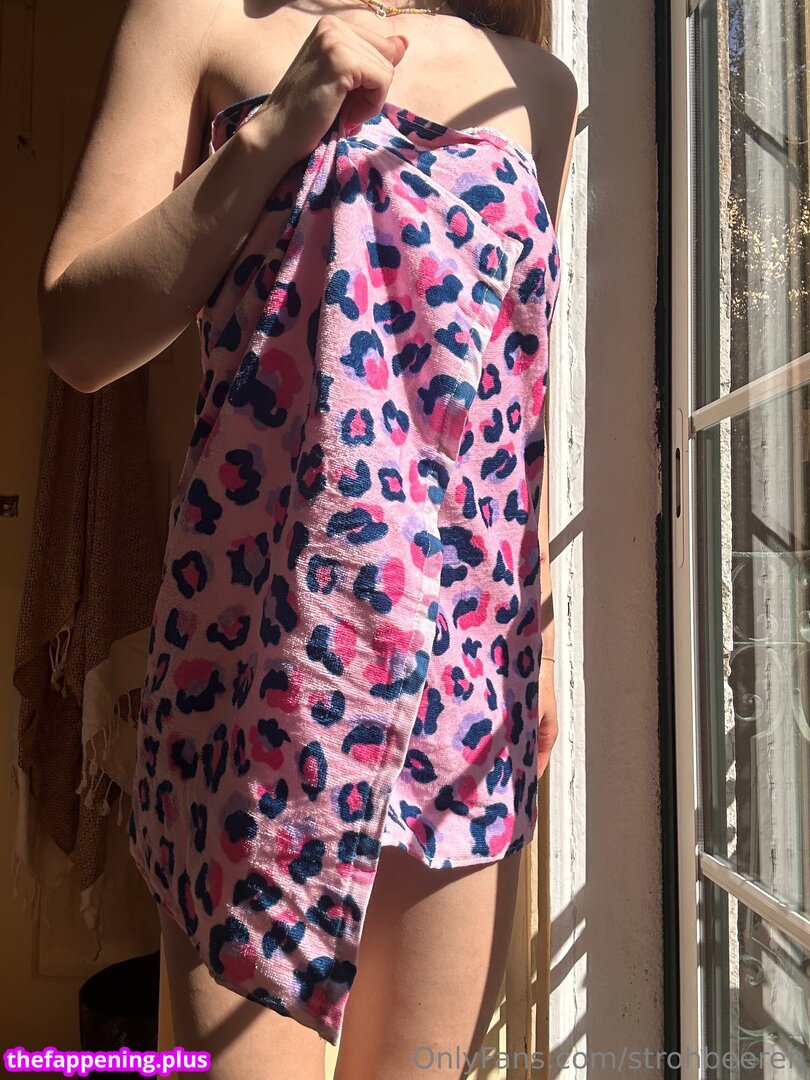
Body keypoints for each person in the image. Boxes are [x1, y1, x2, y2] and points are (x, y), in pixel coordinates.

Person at [38, 2, 578, 1077]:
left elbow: (515, 388)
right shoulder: (192, 21)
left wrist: (544, 641)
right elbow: (77, 335)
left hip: (463, 683)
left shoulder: (537, 85)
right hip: (258, 677)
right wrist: (280, 125)